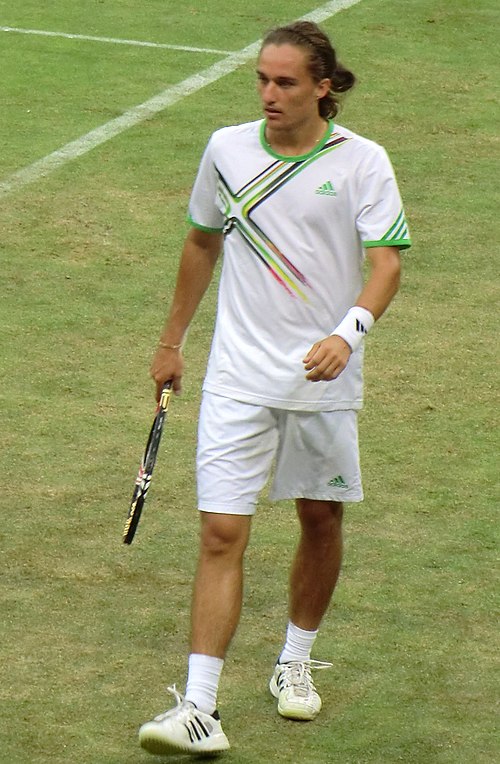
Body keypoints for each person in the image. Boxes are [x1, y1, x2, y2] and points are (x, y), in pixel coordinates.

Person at [138, 20, 411, 757]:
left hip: (323, 377)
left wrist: (346, 332)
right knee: (221, 532)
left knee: (320, 518)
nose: (269, 93)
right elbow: (201, 241)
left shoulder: (362, 162)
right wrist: (172, 342)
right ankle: (199, 707)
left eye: (285, 82)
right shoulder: (226, 149)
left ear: (323, 85)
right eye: (262, 78)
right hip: (236, 377)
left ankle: (294, 660)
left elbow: (386, 264)